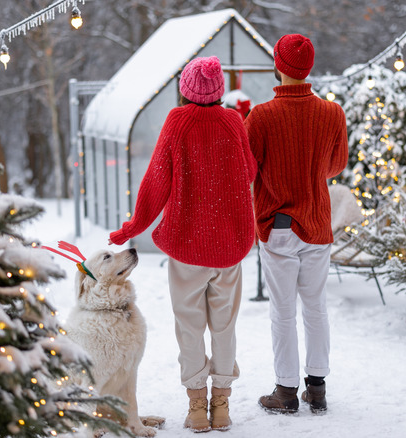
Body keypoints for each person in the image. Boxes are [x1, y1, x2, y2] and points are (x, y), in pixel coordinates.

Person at [108, 56, 256, 432]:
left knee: (189, 327)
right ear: (219, 89)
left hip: (188, 246)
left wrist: (132, 228)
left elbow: (156, 181)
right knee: (224, 327)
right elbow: (250, 171)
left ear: (186, 89)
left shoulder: (178, 122)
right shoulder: (233, 121)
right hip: (228, 247)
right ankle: (221, 406)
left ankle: (195, 409)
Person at [244, 34, 348, 414]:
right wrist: (309, 168)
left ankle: (286, 391)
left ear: (278, 65)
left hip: (279, 227)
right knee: (316, 307)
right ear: (309, 68)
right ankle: (317, 389)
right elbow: (335, 167)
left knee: (282, 310)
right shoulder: (332, 113)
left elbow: (247, 170)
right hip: (318, 223)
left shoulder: (261, 116)